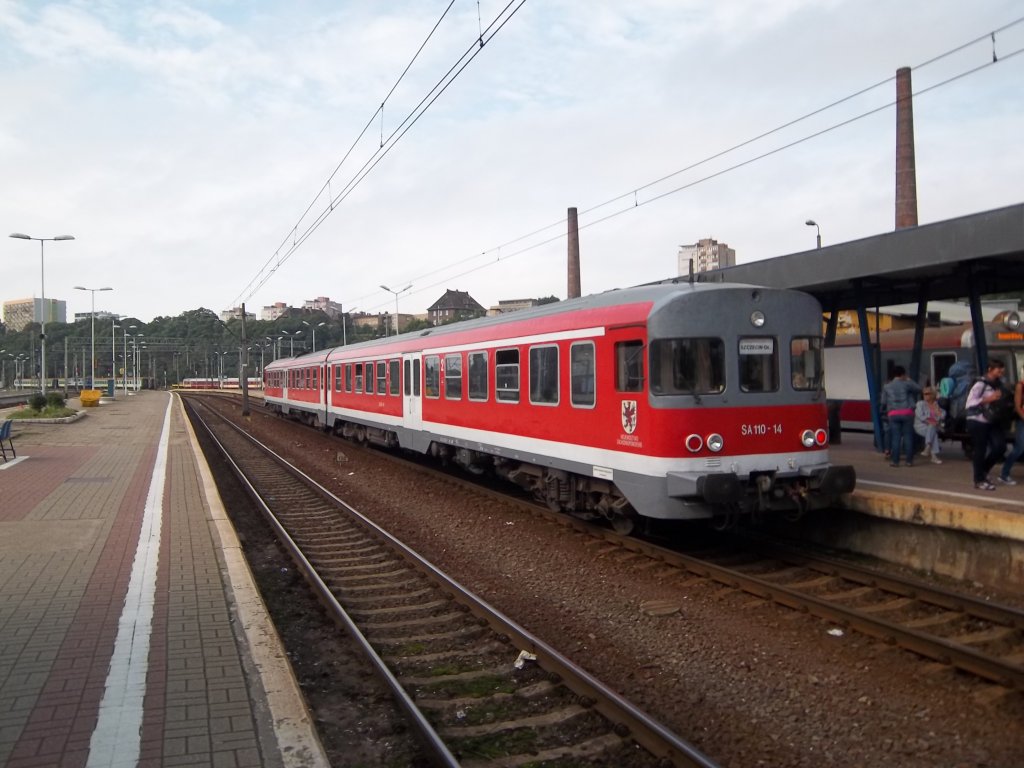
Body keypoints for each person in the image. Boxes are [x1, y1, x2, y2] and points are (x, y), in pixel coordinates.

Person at [965, 358, 1009, 491]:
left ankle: (983, 470)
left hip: (993, 419)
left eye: (1002, 370)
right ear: (990, 370)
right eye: (998, 370)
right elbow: (969, 403)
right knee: (980, 449)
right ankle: (978, 480)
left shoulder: (999, 384)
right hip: (977, 419)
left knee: (1000, 446)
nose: (1001, 373)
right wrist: (987, 399)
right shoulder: (980, 384)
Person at [881, 365, 922, 467]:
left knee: (896, 437)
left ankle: (895, 461)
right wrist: (909, 380)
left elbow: (883, 401)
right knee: (908, 436)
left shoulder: (887, 386)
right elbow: (919, 389)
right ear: (903, 374)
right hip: (907, 413)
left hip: (893, 414)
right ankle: (909, 461)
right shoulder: (907, 384)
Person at [997, 367, 1024, 485]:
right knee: (1019, 448)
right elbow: (1018, 407)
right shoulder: (1020, 385)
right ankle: (1004, 474)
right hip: (1022, 421)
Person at [914, 387, 946, 464]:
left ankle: (928, 447)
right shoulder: (920, 404)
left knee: (932, 429)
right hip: (921, 426)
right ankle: (934, 456)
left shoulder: (936, 405)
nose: (925, 395)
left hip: (933, 426)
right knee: (933, 431)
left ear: (933, 395)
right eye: (924, 394)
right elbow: (920, 416)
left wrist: (937, 411)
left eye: (927, 394)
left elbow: (942, 416)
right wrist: (929, 421)